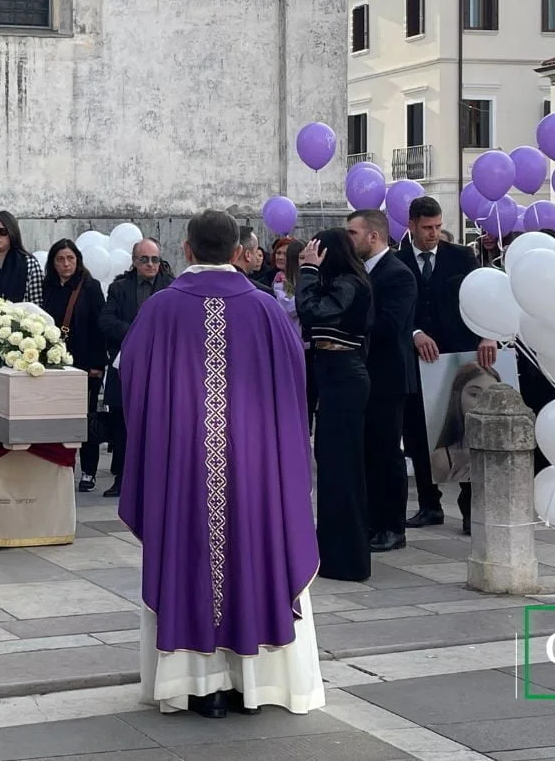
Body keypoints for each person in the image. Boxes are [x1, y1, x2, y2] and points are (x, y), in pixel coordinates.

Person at [118, 209, 321, 717]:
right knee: (253, 552)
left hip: (184, 468)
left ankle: (197, 685)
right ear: (237, 252)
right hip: (253, 470)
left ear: (185, 249)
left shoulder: (160, 310)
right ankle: (252, 684)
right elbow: (295, 393)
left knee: (189, 555)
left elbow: (132, 384)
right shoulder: (268, 310)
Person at [398, 197, 492, 534]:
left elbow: (478, 297)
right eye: (426, 228)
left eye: (437, 227)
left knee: (462, 434)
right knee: (419, 434)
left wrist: (487, 334)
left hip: (458, 356)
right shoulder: (398, 261)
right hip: (417, 361)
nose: (433, 234)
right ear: (411, 225)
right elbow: (394, 308)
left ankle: (469, 510)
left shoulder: (461, 257)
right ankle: (428, 504)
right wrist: (415, 333)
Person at [296, 229, 373, 582]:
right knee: (331, 464)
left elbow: (314, 313)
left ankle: (346, 557)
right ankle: (333, 550)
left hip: (344, 375)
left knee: (340, 467)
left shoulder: (349, 282)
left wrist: (309, 273)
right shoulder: (345, 281)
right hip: (335, 375)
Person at [346, 210, 418, 554]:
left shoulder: (397, 274)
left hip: (388, 377)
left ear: (372, 236)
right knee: (366, 452)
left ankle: (392, 526)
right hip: (362, 376)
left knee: (387, 453)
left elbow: (389, 325)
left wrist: (350, 324)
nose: (349, 239)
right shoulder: (359, 271)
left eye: (353, 233)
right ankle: (372, 521)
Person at [99, 239, 174, 498]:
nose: (151, 265)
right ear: (134, 261)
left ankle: (160, 479)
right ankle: (122, 477)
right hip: (127, 364)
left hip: (162, 367)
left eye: (155, 259)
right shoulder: (120, 288)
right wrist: (136, 333)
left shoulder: (172, 287)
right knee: (122, 423)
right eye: (144, 259)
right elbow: (106, 321)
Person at [41, 239, 107, 492]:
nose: (66, 264)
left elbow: (99, 327)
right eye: (60, 259)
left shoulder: (89, 287)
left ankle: (88, 470)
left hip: (85, 363)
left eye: (70, 258)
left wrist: (97, 364)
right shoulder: (47, 287)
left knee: (86, 418)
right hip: (56, 364)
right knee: (57, 417)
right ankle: (60, 464)